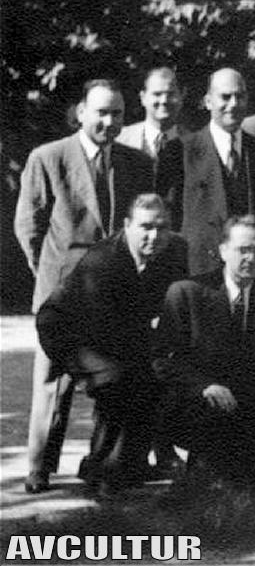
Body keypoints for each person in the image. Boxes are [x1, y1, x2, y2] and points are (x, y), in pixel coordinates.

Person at [16, 79, 153, 493]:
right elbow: (29, 226)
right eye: (101, 112)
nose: (109, 122)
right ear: (81, 113)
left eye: (117, 114)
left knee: (114, 379)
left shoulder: (136, 163)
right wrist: (53, 275)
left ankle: (104, 466)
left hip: (116, 292)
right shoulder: (48, 157)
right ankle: (40, 467)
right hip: (64, 291)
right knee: (52, 381)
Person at [35, 194, 187, 494]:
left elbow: (172, 303)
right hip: (69, 332)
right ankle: (103, 472)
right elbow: (102, 332)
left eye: (162, 227)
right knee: (118, 380)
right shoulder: (103, 261)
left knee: (154, 378)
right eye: (146, 227)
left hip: (119, 333)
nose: (154, 236)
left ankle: (127, 466)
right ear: (127, 225)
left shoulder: (176, 250)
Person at [152, 216, 255, 480]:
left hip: (246, 400)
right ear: (223, 251)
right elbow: (162, 361)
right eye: (243, 250)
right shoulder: (187, 293)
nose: (251, 258)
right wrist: (204, 386)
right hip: (193, 398)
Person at [156, 68, 255, 277]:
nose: (233, 104)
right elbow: (169, 218)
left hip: (253, 273)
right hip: (199, 269)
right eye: (225, 97)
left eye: (240, 96)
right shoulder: (179, 152)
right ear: (208, 101)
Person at [117, 67, 187, 164]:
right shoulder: (120, 139)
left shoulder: (196, 142)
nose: (164, 100)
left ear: (182, 96)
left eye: (170, 94)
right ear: (143, 98)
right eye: (157, 94)